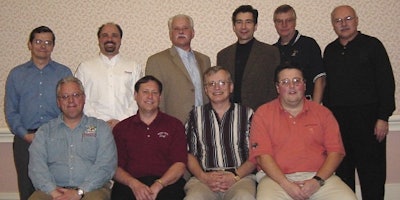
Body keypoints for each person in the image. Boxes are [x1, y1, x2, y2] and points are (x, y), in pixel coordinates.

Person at [249, 63, 357, 200]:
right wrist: (287, 185)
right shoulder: (263, 113)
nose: (292, 86)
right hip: (276, 180)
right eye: (285, 82)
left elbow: (336, 152)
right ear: (277, 87)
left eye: (296, 81)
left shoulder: (323, 113)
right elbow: (262, 156)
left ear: (304, 85)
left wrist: (317, 181)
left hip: (319, 177)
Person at [323, 5, 395, 200]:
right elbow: (328, 90)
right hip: (340, 125)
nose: (343, 24)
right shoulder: (329, 51)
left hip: (370, 123)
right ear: (333, 25)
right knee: (343, 177)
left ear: (356, 20)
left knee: (372, 175)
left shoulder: (373, 46)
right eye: (338, 21)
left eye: (347, 19)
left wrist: (383, 117)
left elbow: (386, 84)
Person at [4, 26, 72, 200]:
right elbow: (11, 111)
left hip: (57, 138)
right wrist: (25, 135)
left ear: (53, 46)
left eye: (48, 42)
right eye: (38, 41)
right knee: (27, 188)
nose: (43, 46)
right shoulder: (16, 74)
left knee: (59, 187)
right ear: (30, 44)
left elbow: (71, 107)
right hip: (25, 140)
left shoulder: (63, 73)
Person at [28, 76, 117, 200]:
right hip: (52, 191)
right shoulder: (44, 131)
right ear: (58, 102)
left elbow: (106, 166)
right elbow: (36, 167)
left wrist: (80, 191)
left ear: (84, 98)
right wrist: (53, 192)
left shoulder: (101, 129)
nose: (71, 100)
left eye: (76, 95)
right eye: (64, 97)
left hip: (92, 190)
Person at [184, 66, 256, 200]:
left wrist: (235, 176)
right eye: (211, 84)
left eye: (222, 83)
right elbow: (189, 154)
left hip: (240, 178)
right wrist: (203, 177)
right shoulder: (195, 116)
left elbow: (256, 153)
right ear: (205, 90)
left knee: (245, 197)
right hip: (203, 179)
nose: (217, 88)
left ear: (231, 87)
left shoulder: (247, 114)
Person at [111, 76, 188, 200]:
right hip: (131, 184)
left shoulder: (174, 125)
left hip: (166, 183)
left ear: (160, 97)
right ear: (136, 95)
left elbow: (179, 165)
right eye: (145, 92)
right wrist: (134, 184)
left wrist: (159, 184)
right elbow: (115, 168)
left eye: (154, 93)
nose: (150, 97)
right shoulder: (122, 128)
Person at [145, 14, 211, 124]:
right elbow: (154, 98)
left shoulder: (205, 60)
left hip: (203, 123)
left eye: (185, 28)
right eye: (176, 29)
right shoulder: (156, 61)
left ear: (193, 33)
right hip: (173, 125)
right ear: (170, 34)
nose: (181, 32)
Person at [75, 22, 143, 128]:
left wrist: (121, 121)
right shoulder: (85, 68)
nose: (109, 39)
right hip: (93, 126)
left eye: (114, 35)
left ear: (120, 40)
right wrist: (102, 122)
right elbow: (80, 98)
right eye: (105, 35)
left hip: (127, 126)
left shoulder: (134, 67)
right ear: (99, 40)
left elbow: (139, 97)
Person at [217, 5, 280, 110]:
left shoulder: (270, 52)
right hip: (230, 113)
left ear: (255, 26)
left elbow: (275, 86)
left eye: (248, 22)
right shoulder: (223, 55)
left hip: (262, 113)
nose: (243, 27)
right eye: (239, 22)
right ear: (234, 27)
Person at [273, 4, 326, 103]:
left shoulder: (309, 44)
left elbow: (320, 79)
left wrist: (314, 108)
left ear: (295, 22)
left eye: (288, 21)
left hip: (307, 104)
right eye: (280, 21)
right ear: (275, 24)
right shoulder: (272, 50)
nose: (284, 25)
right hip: (281, 108)